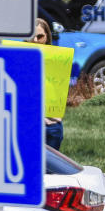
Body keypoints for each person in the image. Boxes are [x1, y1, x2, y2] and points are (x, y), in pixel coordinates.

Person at [30, 17, 64, 151]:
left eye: (40, 36)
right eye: (32, 37)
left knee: (51, 171)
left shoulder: (57, 60)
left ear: (47, 37)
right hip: (29, 124)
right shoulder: (18, 60)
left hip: (51, 126)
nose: (35, 40)